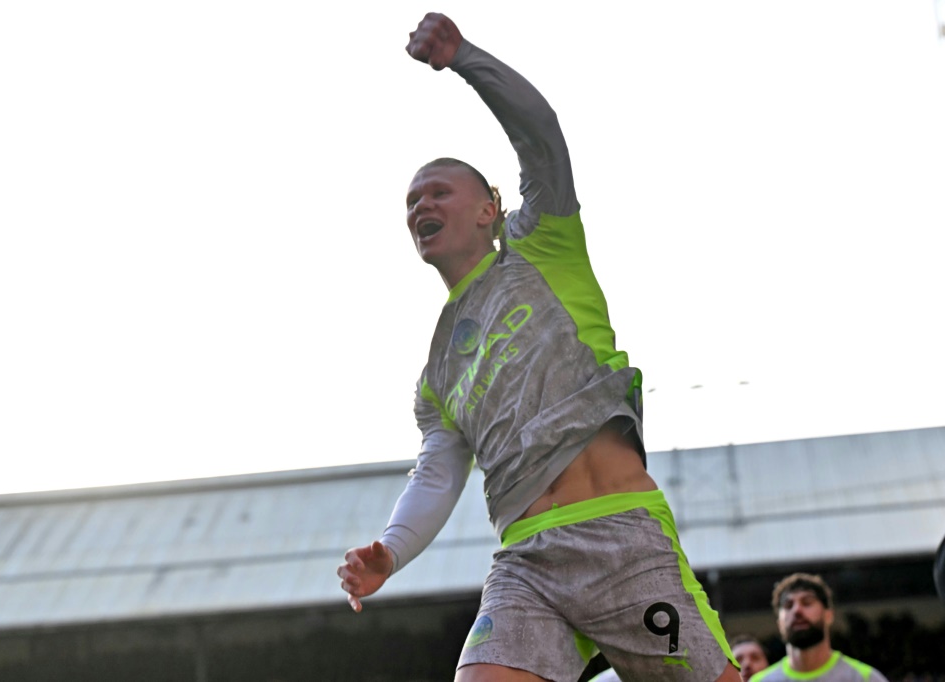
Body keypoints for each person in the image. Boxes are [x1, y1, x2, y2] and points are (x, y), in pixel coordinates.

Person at [336, 12, 739, 682]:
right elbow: (437, 473)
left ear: (488, 209)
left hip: (619, 539)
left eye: (438, 191)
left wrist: (464, 57)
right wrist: (391, 551)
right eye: (411, 202)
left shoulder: (542, 245)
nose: (420, 206)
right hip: (526, 561)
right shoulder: (437, 371)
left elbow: (541, 135)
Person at [751, 573, 888, 682]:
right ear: (779, 623)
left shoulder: (865, 678)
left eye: (807, 602)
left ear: (828, 615)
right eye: (788, 605)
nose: (797, 610)